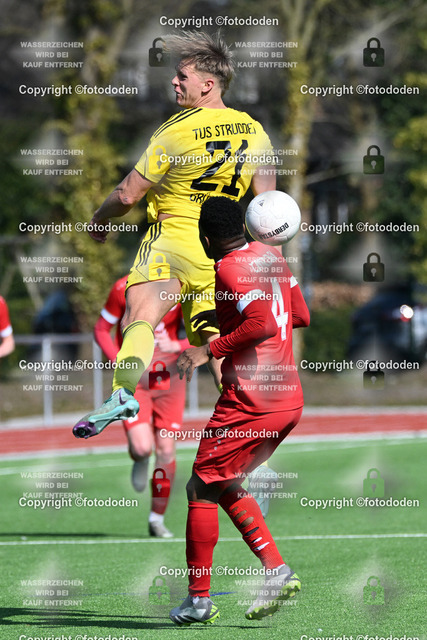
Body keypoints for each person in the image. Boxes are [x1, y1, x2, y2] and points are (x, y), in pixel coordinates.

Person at [72, 31, 275, 439]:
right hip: (221, 249)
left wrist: (99, 219)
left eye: (183, 76)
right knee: (216, 341)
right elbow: (266, 206)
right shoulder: (255, 131)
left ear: (208, 84)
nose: (174, 82)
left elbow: (128, 194)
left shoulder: (176, 130)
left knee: (139, 315)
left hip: (175, 238)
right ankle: (250, 433)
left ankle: (122, 393)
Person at [168, 196, 310, 625]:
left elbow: (261, 323)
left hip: (251, 402)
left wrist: (207, 350)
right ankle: (276, 571)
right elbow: (299, 315)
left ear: (206, 238)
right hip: (288, 399)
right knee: (222, 480)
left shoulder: (229, 267)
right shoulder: (271, 258)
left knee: (199, 488)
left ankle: (198, 601)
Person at [93, 275, 189, 538]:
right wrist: (117, 359)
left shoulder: (183, 284)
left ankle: (156, 519)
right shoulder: (123, 287)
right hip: (135, 378)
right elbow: (101, 329)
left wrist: (178, 345)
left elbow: (206, 332)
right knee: (142, 447)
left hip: (168, 378)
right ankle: (140, 457)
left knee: (166, 450)